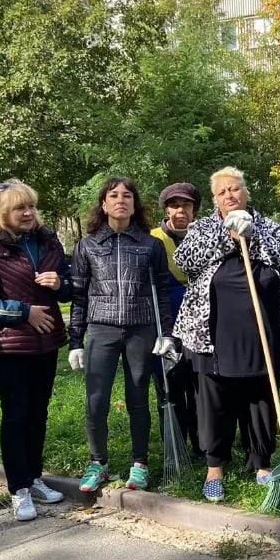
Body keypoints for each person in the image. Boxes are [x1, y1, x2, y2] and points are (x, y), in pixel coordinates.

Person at [173, 167, 280, 503]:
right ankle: (215, 468)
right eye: (222, 192)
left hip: (262, 329)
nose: (230, 195)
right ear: (215, 199)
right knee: (214, 399)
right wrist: (225, 237)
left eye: (235, 189)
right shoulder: (202, 228)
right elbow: (185, 260)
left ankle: (262, 464)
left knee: (261, 396)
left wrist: (253, 235)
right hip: (211, 332)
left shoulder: (269, 226)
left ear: (246, 193)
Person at [0, 180, 70, 522]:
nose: (27, 213)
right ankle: (18, 488)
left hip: (46, 343)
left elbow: (71, 285)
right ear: (2, 213)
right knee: (16, 415)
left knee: (39, 412)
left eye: (30, 206)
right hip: (10, 346)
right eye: (18, 208)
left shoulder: (48, 240)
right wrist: (24, 312)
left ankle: (35, 476)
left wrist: (60, 285)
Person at [69, 177, 173, 493]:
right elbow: (79, 295)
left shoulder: (150, 245)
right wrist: (75, 341)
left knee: (138, 396)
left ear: (134, 204)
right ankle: (97, 463)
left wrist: (166, 333)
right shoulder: (87, 246)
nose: (120, 200)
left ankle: (139, 463)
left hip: (141, 329)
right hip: (101, 329)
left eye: (127, 195)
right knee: (96, 400)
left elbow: (163, 291)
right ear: (103, 204)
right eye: (113, 195)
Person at [150, 182, 203, 460]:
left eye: (186, 205)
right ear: (166, 209)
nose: (180, 210)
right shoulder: (153, 239)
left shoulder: (205, 235)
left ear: (194, 210)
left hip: (201, 325)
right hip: (166, 324)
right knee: (169, 386)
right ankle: (175, 447)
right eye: (174, 205)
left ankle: (202, 445)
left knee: (200, 388)